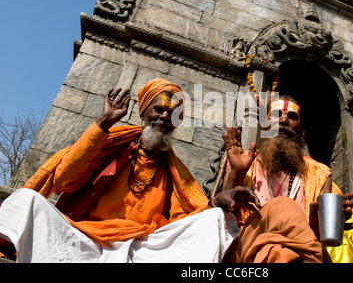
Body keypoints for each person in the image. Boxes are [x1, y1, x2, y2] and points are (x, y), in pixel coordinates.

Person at [0, 78, 258, 262]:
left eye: (174, 114)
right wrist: (102, 123)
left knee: (213, 219)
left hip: (140, 251)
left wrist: (216, 200)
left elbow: (186, 222)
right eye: (159, 109)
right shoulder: (110, 144)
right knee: (25, 200)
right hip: (83, 240)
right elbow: (65, 180)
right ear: (144, 113)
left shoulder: (174, 172)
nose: (165, 118)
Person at [222, 95, 353, 263]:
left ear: (302, 131)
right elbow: (223, 213)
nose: (284, 120)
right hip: (247, 247)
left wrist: (321, 227)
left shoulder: (320, 173)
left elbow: (319, 233)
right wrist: (237, 171)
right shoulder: (245, 162)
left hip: (298, 250)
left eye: (292, 116)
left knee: (280, 253)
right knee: (281, 214)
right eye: (276, 114)